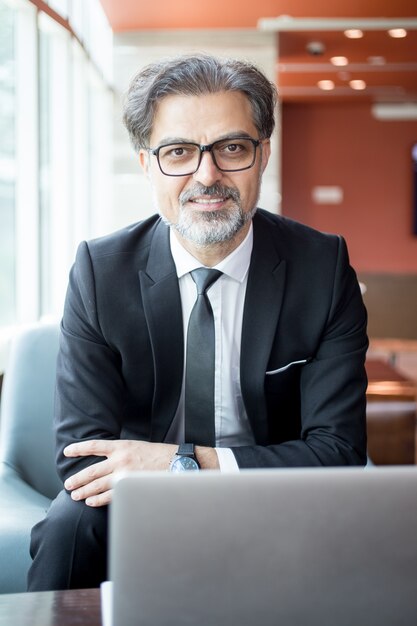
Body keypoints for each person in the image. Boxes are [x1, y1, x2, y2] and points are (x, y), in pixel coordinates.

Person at [28, 54, 368, 591]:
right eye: (179, 152)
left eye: (232, 149)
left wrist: (185, 464)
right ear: (146, 163)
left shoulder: (321, 269)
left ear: (263, 156)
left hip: (273, 493)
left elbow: (339, 450)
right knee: (71, 525)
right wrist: (163, 478)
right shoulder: (101, 270)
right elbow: (80, 457)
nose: (206, 176)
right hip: (135, 501)